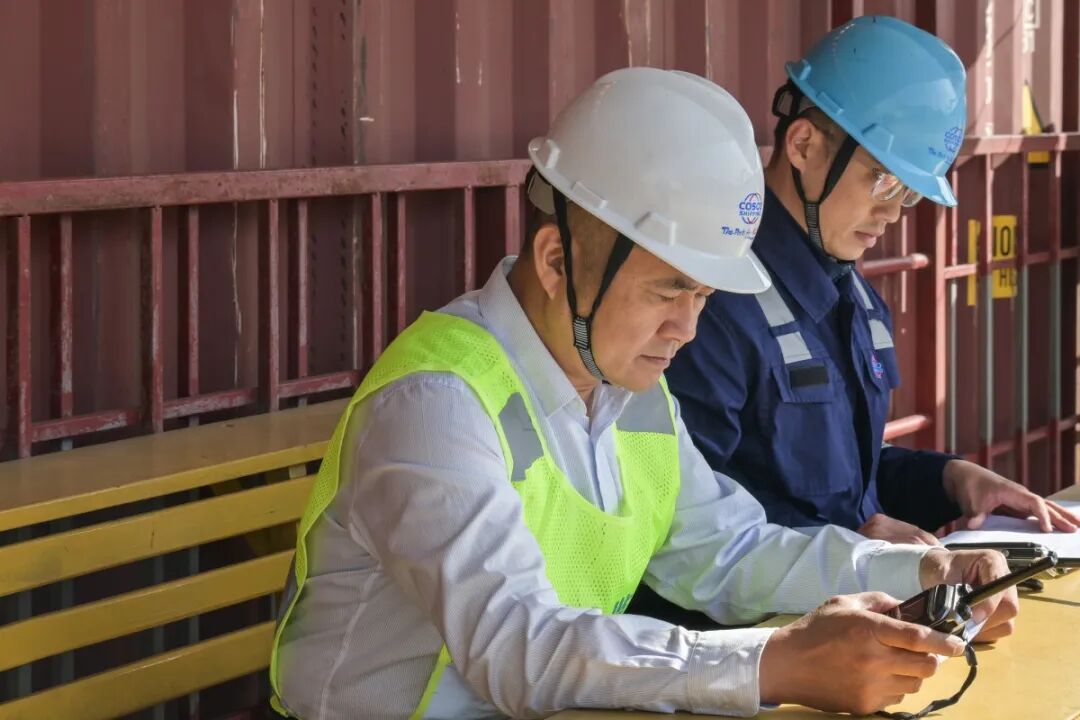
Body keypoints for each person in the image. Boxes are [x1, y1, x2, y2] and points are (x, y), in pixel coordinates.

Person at [269, 66, 1016, 720]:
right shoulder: (436, 404)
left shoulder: (632, 395)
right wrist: (774, 663)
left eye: (703, 296)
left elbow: (726, 550)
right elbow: (518, 648)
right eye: (667, 290)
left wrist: (922, 573)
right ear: (556, 261)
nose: (686, 329)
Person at [662, 16, 1080, 545]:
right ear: (803, 145)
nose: (893, 213)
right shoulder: (711, 305)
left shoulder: (855, 299)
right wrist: (853, 548)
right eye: (882, 179)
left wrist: (953, 479)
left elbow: (847, 480)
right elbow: (689, 522)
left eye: (908, 192)